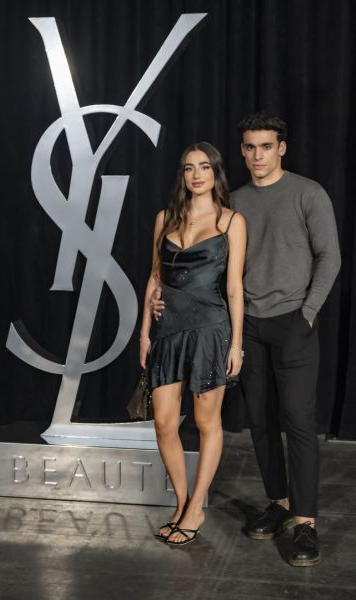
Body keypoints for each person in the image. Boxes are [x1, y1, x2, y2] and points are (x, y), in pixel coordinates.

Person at [152, 113, 341, 564]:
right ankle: (280, 503)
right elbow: (213, 272)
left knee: (298, 420)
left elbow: (329, 257)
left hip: (293, 321)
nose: (258, 155)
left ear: (282, 148)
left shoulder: (308, 193)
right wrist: (166, 299)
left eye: (266, 146)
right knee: (260, 420)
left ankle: (306, 523)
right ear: (241, 151)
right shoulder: (232, 204)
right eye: (250, 147)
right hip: (246, 325)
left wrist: (308, 313)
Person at [140, 141, 246, 545]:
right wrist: (144, 333)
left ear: (216, 172)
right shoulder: (165, 218)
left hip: (211, 330)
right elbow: (154, 278)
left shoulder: (232, 221)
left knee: (206, 422)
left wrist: (236, 344)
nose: (196, 175)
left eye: (204, 167)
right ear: (182, 175)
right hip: (168, 330)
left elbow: (234, 288)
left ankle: (196, 508)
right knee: (164, 422)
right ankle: (182, 502)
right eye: (189, 168)